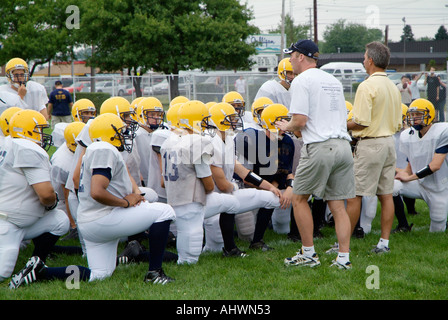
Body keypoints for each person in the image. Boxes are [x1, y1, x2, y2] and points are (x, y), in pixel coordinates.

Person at [276, 39, 355, 269]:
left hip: (321, 147)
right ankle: (343, 259)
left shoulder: (302, 80)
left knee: (299, 199)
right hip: (343, 147)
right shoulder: (333, 79)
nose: (290, 59)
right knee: (338, 206)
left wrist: (286, 127)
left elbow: (300, 121)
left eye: (292, 55)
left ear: (301, 56)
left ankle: (309, 254)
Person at [77, 113, 176, 284]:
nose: (124, 135)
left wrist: (135, 194)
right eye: (120, 132)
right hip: (103, 218)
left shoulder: (98, 148)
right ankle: (154, 273)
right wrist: (125, 202)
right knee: (164, 211)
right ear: (109, 133)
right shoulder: (103, 149)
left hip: (90, 220)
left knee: (100, 275)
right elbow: (97, 191)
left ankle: (42, 272)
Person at [0, 109, 90, 289]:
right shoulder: (28, 148)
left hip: (14, 219)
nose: (43, 134)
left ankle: (37, 262)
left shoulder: (7, 143)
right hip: (7, 223)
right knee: (3, 274)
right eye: (39, 129)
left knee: (59, 220)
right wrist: (52, 202)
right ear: (27, 131)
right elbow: (46, 194)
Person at [346, 41, 402, 254]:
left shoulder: (367, 85)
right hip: (389, 142)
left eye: (364, 57)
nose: (363, 60)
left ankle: (344, 245)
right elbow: (398, 122)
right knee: (386, 195)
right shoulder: (393, 86)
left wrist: (342, 124)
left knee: (354, 196)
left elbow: (361, 122)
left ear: (370, 60)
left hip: (370, 144)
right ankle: (383, 243)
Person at [205, 102, 282, 255]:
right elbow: (222, 185)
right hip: (209, 199)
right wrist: (235, 187)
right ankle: (228, 249)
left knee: (271, 198)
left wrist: (269, 186)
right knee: (211, 249)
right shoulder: (210, 142)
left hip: (225, 196)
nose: (235, 121)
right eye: (230, 118)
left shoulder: (226, 139)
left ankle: (256, 242)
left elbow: (243, 171)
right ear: (219, 120)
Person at [394, 98, 448, 232]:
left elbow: (435, 166)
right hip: (420, 184)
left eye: (418, 114)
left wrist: (409, 177)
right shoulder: (407, 135)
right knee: (392, 187)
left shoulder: (442, 131)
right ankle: (403, 225)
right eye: (412, 115)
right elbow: (409, 168)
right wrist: (400, 173)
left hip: (440, 187)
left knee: (437, 230)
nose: (415, 118)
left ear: (430, 115)